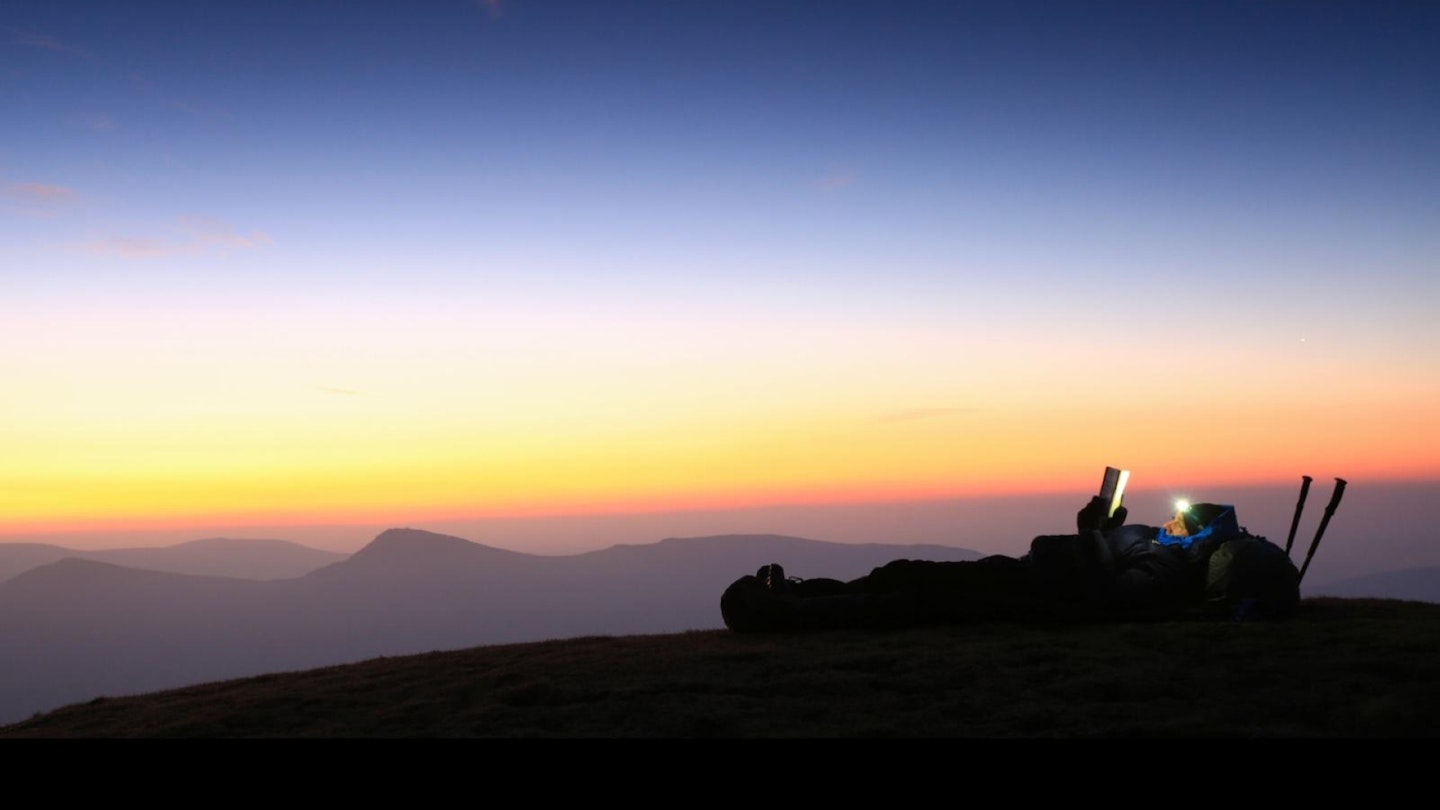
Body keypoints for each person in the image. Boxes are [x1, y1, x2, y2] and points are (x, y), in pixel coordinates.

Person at [720, 495, 1291, 632]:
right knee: (901, 573)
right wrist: (1108, 530)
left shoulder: (1174, 566)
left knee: (910, 600)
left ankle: (778, 615)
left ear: (1199, 535)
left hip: (1037, 596)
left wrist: (1092, 535)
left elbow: (1106, 597)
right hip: (1024, 571)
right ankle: (798, 591)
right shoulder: (1166, 547)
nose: (1170, 521)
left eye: (1181, 521)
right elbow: (1110, 560)